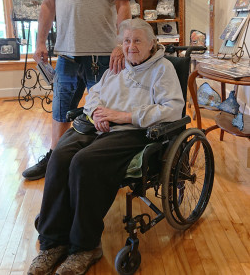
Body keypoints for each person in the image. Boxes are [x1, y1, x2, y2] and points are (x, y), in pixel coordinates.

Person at [27, 18, 184, 275]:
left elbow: (172, 109)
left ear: (152, 44)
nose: (130, 46)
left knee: (84, 163)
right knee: (60, 156)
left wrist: (124, 116)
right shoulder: (119, 64)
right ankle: (52, 242)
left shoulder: (162, 69)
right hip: (97, 124)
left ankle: (85, 246)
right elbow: (96, 92)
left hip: (133, 130)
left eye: (137, 41)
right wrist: (98, 112)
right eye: (126, 41)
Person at [22, 0, 131, 181]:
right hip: (67, 55)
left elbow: (123, 5)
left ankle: (103, 166)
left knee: (104, 114)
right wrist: (40, 42)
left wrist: (122, 42)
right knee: (60, 111)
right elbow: (47, 5)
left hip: (103, 55)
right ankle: (54, 161)